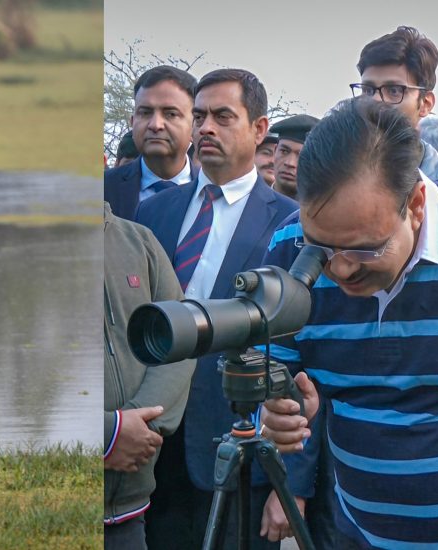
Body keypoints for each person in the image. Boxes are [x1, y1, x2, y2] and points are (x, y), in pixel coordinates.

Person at [260, 98, 438, 549]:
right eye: (320, 247)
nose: (339, 270)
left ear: (416, 204)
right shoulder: (286, 247)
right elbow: (271, 370)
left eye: (364, 249)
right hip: (352, 530)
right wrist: (276, 410)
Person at [136, 68, 298, 549]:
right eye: (200, 116)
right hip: (152, 436)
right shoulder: (155, 210)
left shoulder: (291, 224)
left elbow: (300, 355)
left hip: (238, 445)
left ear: (260, 129)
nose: (206, 128)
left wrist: (291, 486)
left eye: (223, 116)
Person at [104, 202, 196, 549]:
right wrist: (107, 434)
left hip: (130, 513)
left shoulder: (139, 240)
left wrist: (136, 428)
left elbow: (181, 342)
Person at [351, 25, 438, 191]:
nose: (375, 100)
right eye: (368, 90)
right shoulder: (329, 176)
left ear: (425, 104)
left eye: (394, 91)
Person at [105, 66, 198, 220]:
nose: (155, 125)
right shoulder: (102, 189)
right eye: (145, 113)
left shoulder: (214, 191)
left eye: (171, 114)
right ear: (132, 122)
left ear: (194, 125)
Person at [269, 115, 320, 200]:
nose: (290, 163)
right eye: (284, 151)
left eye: (301, 156)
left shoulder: (325, 212)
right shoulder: (250, 201)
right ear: (275, 151)